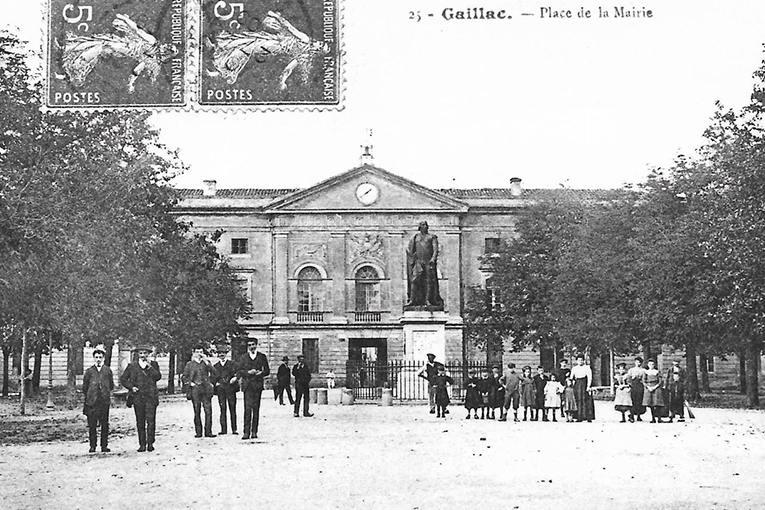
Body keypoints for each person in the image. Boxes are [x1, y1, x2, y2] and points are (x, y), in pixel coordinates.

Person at [120, 345, 161, 452]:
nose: (143, 355)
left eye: (145, 353)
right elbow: (123, 379)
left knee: (151, 421)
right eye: (141, 353)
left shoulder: (153, 364)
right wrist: (131, 387)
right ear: (137, 354)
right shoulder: (132, 366)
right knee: (140, 421)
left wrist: (150, 367)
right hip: (138, 397)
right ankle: (142, 444)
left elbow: (158, 377)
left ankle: (150, 443)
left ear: (149, 354)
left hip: (151, 397)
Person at [82, 346, 114, 453]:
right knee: (92, 425)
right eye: (96, 357)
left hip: (104, 402)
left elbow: (111, 385)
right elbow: (85, 387)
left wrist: (104, 392)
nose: (98, 359)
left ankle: (104, 446)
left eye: (100, 357)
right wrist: (91, 396)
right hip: (92, 402)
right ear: (93, 358)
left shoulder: (107, 370)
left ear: (104, 358)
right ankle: (92, 446)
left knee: (104, 424)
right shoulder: (89, 371)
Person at [405, 221, 444, 309]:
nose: (424, 226)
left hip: (428, 262)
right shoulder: (416, 237)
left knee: (429, 281)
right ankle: (412, 299)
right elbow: (411, 250)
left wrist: (433, 259)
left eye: (426, 225)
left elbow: (435, 249)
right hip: (419, 262)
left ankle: (428, 300)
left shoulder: (431, 237)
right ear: (419, 227)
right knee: (414, 280)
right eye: (422, 225)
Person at [237, 338, 270, 439]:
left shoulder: (262, 357)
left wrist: (261, 373)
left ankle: (254, 431)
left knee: (256, 409)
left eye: (253, 345)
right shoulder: (243, 357)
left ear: (256, 345)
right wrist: (247, 372)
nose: (251, 347)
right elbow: (239, 371)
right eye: (249, 345)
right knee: (247, 409)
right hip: (247, 386)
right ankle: (246, 432)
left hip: (257, 386)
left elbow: (267, 371)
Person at [183, 346, 216, 438]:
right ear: (194, 353)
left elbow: (215, 373)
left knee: (208, 411)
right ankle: (198, 432)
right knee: (197, 411)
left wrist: (207, 362)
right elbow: (184, 376)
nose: (199, 354)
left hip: (206, 389)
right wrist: (191, 383)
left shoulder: (206, 363)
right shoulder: (190, 364)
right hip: (195, 389)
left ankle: (208, 431)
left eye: (201, 351)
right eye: (197, 351)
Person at [211, 345, 239, 435]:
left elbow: (239, 372)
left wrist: (235, 378)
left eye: (223, 353)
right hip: (221, 390)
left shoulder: (232, 364)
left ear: (226, 354)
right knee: (222, 409)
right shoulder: (215, 366)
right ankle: (223, 429)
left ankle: (234, 429)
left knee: (232, 408)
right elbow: (212, 377)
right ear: (218, 355)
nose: (221, 354)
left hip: (231, 389)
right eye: (220, 353)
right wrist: (216, 383)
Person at [570, 354, 595, 422]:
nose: (580, 361)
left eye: (581, 360)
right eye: (579, 360)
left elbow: (589, 377)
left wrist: (588, 386)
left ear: (583, 361)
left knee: (587, 400)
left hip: (584, 383)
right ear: (577, 361)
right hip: (577, 384)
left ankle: (588, 417)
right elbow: (571, 378)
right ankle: (579, 417)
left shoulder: (587, 368)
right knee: (578, 400)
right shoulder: (574, 368)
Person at [641, 359, 665, 423]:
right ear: (648, 365)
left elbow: (660, 381)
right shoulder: (646, 372)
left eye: (652, 364)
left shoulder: (657, 371)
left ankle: (659, 418)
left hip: (656, 387)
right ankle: (653, 418)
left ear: (654, 365)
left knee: (657, 404)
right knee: (651, 404)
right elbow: (643, 381)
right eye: (650, 364)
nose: (651, 366)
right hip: (649, 388)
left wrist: (655, 387)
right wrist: (648, 387)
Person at [626, 357, 646, 421]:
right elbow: (628, 379)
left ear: (641, 363)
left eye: (639, 362)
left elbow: (645, 379)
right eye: (637, 362)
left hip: (640, 386)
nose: (638, 363)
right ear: (635, 362)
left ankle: (638, 415)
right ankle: (632, 415)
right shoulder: (631, 370)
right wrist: (630, 383)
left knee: (639, 400)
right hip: (633, 386)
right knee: (633, 400)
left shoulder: (643, 370)